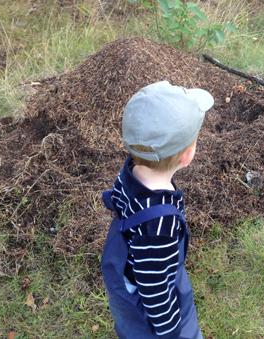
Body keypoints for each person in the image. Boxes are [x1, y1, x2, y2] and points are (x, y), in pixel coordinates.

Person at [101, 81, 214, 338]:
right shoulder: (159, 225)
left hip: (129, 264)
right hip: (153, 306)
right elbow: (154, 288)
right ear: (187, 156)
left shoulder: (131, 168)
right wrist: (170, 330)